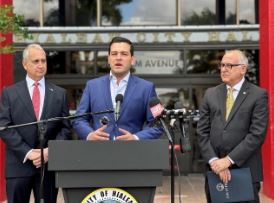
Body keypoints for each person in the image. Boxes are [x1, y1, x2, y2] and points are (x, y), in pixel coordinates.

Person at [0, 44, 71, 203]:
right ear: (25, 64)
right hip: (18, 165)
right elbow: (4, 127)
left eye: (43, 61)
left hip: (48, 166)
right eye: (36, 61)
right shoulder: (9, 93)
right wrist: (28, 152)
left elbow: (65, 129)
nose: (41, 65)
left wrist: (48, 152)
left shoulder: (60, 94)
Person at [197, 50, 268, 203]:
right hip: (215, 172)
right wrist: (215, 162)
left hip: (245, 172)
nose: (223, 69)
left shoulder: (258, 95)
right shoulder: (211, 94)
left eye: (229, 65)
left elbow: (257, 134)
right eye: (222, 65)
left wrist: (228, 161)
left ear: (243, 68)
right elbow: (202, 132)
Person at [72, 36, 162, 140]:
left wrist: (136, 138)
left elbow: (159, 123)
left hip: (133, 153)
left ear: (132, 60)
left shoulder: (147, 88)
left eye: (124, 54)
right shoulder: (92, 86)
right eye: (114, 54)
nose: (118, 57)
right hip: (98, 152)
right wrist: (89, 135)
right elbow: (78, 119)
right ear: (109, 58)